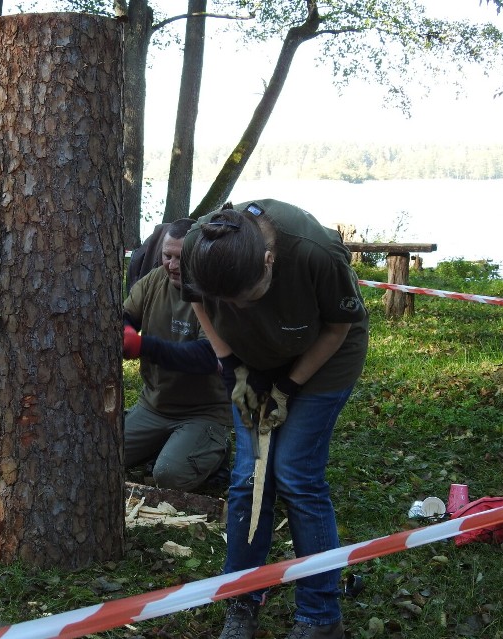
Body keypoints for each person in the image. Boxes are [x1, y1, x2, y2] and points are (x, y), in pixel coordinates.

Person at [180, 200, 369, 639]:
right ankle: (243, 598)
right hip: (251, 360)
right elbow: (199, 305)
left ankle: (321, 617)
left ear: (269, 261)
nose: (238, 309)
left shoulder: (314, 251)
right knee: (249, 476)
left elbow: (339, 328)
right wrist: (232, 368)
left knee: (295, 475)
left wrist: (287, 387)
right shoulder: (202, 246)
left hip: (323, 359)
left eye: (248, 297)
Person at [122, 218, 232, 492]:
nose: (172, 266)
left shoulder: (216, 292)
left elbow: (207, 356)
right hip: (154, 405)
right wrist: (124, 331)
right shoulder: (155, 280)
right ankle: (163, 444)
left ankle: (214, 455)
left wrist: (143, 346)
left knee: (169, 476)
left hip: (203, 411)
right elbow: (126, 316)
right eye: (166, 256)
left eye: (180, 258)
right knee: (103, 454)